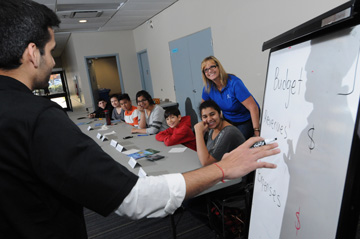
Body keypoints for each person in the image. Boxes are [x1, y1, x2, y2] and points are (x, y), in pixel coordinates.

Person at [0, 0, 280, 237]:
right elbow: (132, 198)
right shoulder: (38, 117)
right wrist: (222, 169)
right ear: (32, 53)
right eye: (50, 52)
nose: (51, 61)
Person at [201, 56, 261, 139]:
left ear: (218, 67)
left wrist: (256, 131)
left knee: (238, 143)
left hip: (245, 118)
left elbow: (253, 107)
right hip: (228, 119)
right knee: (225, 143)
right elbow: (203, 109)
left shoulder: (234, 83)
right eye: (206, 69)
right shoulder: (207, 88)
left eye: (212, 67)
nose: (210, 71)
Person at [194, 100, 246, 166]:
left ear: (220, 114)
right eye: (205, 117)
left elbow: (206, 163)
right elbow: (207, 154)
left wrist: (198, 132)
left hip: (237, 173)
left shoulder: (228, 132)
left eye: (212, 114)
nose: (209, 119)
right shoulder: (212, 130)